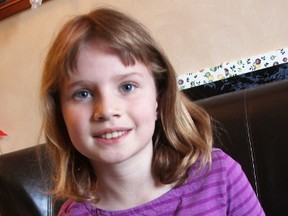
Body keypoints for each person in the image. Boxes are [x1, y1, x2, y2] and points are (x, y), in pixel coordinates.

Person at [40, 8, 265, 216]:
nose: (107, 110)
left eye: (127, 87)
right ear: (60, 112)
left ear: (159, 97)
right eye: (83, 94)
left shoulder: (219, 175)